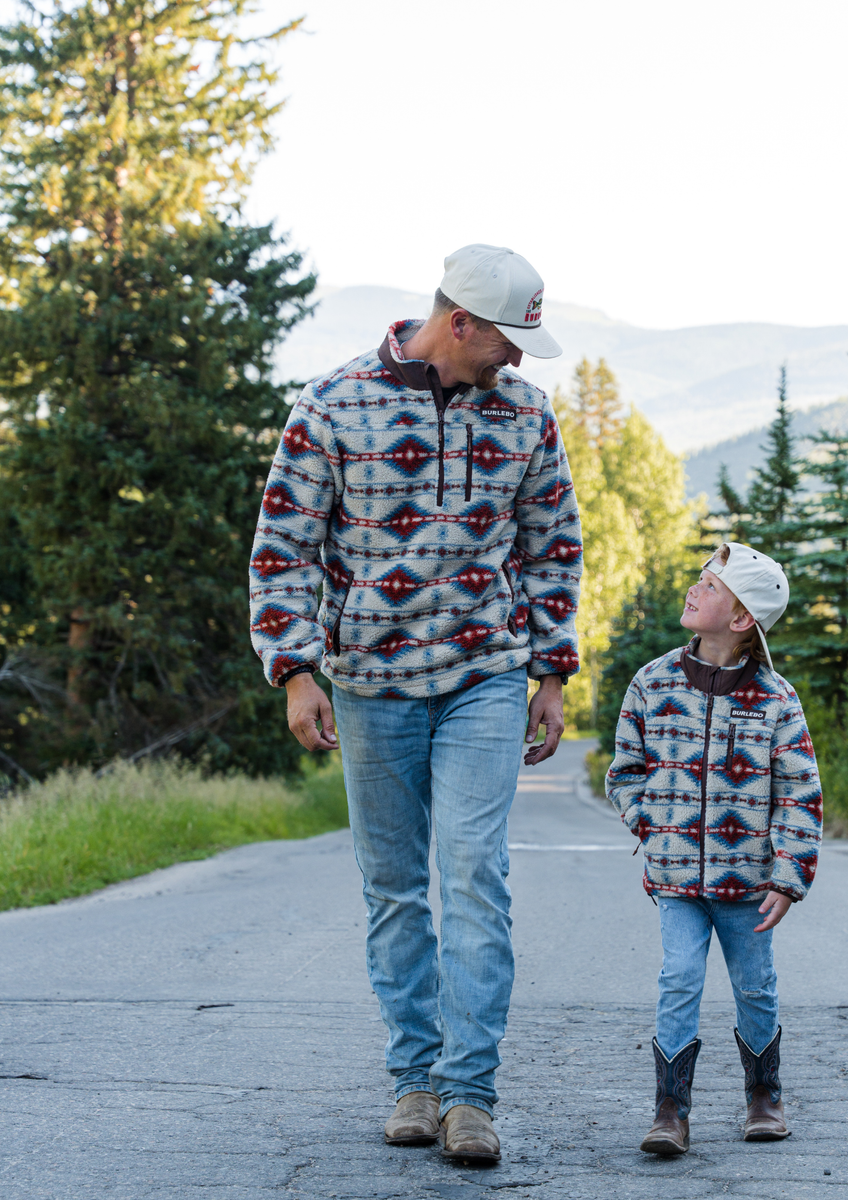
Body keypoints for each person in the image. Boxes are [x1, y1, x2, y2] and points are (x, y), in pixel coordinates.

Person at [248, 244, 581, 1166]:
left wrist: (551, 673)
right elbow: (283, 546)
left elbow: (554, 545)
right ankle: (415, 1078)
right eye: (507, 341)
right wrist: (296, 670)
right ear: (459, 322)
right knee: (394, 888)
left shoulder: (527, 415)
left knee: (476, 874)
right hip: (370, 682)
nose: (517, 359)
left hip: (485, 671)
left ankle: (471, 1096)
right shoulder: (334, 405)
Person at [605, 542, 821, 1156]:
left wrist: (789, 875)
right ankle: (670, 1110)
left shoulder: (776, 700)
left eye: (710, 586)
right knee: (678, 978)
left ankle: (763, 1097)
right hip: (674, 879)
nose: (694, 590)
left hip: (748, 883)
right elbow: (625, 772)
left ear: (741, 619)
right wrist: (652, 824)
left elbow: (800, 792)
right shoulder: (652, 684)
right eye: (698, 579)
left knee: (755, 986)